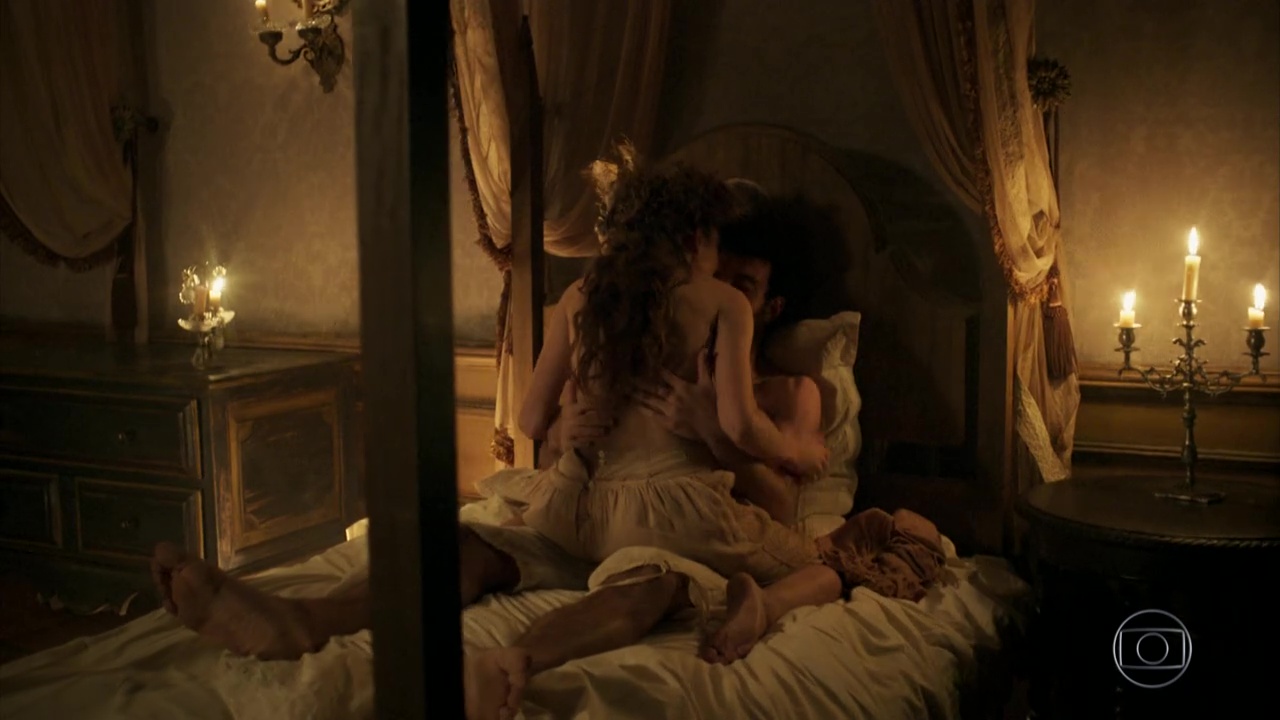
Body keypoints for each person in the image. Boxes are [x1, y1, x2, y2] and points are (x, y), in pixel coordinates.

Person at [151, 148, 947, 720]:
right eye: (718, 254)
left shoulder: (584, 297)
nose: (724, 275)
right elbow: (738, 427)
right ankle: (507, 656)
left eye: (747, 279)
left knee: (524, 554)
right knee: (742, 571)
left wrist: (604, 426)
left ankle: (307, 621)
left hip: (569, 504)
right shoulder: (719, 309)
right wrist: (786, 447)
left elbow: (527, 421)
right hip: (663, 513)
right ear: (695, 239)